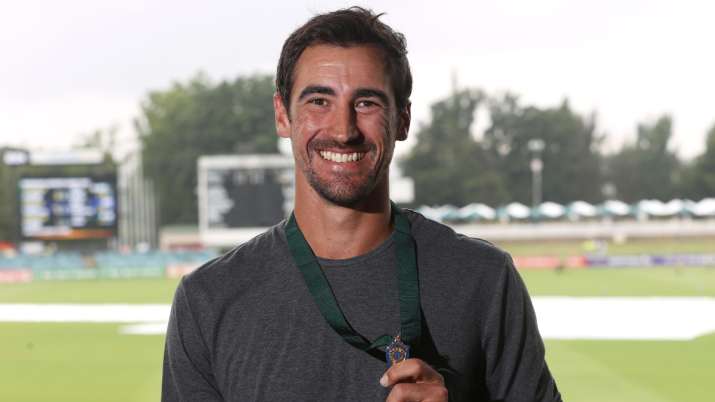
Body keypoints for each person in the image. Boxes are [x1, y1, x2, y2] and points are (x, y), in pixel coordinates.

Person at [162, 7, 561, 402]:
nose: (343, 130)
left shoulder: (482, 278)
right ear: (282, 115)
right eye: (319, 100)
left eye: (366, 103)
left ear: (402, 119)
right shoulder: (208, 300)